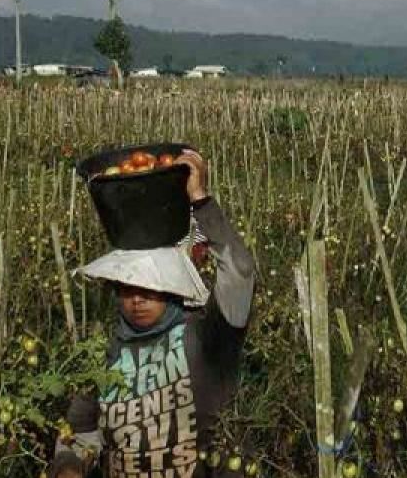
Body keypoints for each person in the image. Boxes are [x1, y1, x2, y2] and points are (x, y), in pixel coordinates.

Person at [50, 150, 256, 478]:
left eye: (150, 289)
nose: (137, 300)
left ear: (172, 287)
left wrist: (201, 201)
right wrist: (69, 467)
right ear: (114, 290)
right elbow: (79, 433)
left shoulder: (207, 338)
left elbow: (241, 271)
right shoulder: (100, 353)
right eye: (127, 288)